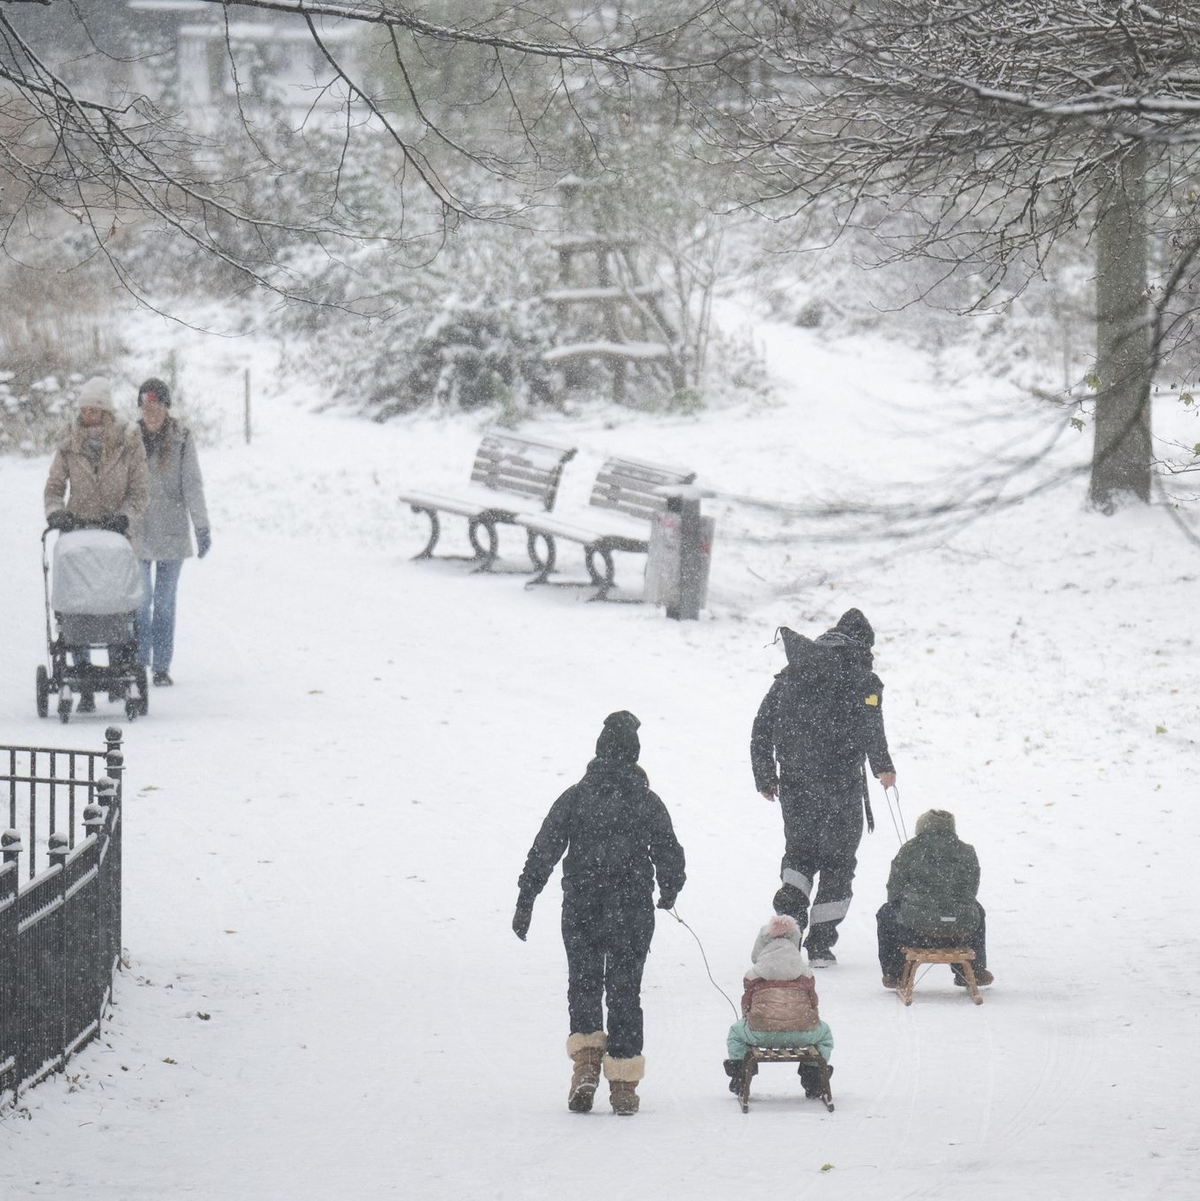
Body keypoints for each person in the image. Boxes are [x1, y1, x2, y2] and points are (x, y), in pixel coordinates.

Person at [512, 711, 686, 1116]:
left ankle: (587, 1065)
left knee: (584, 984)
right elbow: (668, 850)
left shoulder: (575, 796)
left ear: (599, 753)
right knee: (626, 991)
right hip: (631, 910)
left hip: (582, 907)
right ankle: (623, 1085)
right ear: (635, 755)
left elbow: (545, 848)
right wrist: (670, 888)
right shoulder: (646, 800)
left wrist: (526, 897)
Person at [750, 608, 896, 967]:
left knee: (799, 857)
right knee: (838, 862)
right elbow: (870, 728)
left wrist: (765, 774)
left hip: (797, 783)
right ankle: (821, 945)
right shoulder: (862, 679)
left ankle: (788, 932)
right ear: (865, 644)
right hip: (842, 785)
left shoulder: (795, 671)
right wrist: (883, 767)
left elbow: (762, 726)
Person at [44, 375, 149, 713]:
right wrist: (56, 513)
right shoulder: (68, 443)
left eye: (94, 410)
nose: (88, 415)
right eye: (84, 409)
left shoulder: (129, 443)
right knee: (77, 604)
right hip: (78, 532)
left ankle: (120, 669)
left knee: (114, 602)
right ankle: (82, 675)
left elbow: (140, 492)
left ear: (105, 413)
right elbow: (54, 487)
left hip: (115, 534)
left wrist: (125, 516)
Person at [130, 377, 211, 687]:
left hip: (173, 531)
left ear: (167, 408)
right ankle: (138, 662)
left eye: (159, 406)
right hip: (138, 531)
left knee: (164, 602)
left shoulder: (182, 439)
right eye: (147, 407)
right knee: (141, 601)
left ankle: (161, 666)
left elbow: (192, 483)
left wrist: (201, 525)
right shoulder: (129, 439)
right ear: (141, 408)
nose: (153, 413)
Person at [877, 809, 993, 989]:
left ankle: (895, 974)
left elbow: (894, 892)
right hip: (960, 933)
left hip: (917, 934)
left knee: (886, 912)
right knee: (977, 911)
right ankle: (974, 972)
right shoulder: (967, 851)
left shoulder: (910, 849)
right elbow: (971, 891)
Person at [723, 914, 834, 1100]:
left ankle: (741, 1075)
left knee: (735, 1034)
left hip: (761, 1033)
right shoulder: (805, 973)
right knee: (825, 1034)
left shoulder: (754, 974)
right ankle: (814, 1078)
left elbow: (746, 1005)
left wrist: (752, 1018)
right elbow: (813, 1003)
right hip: (802, 1034)